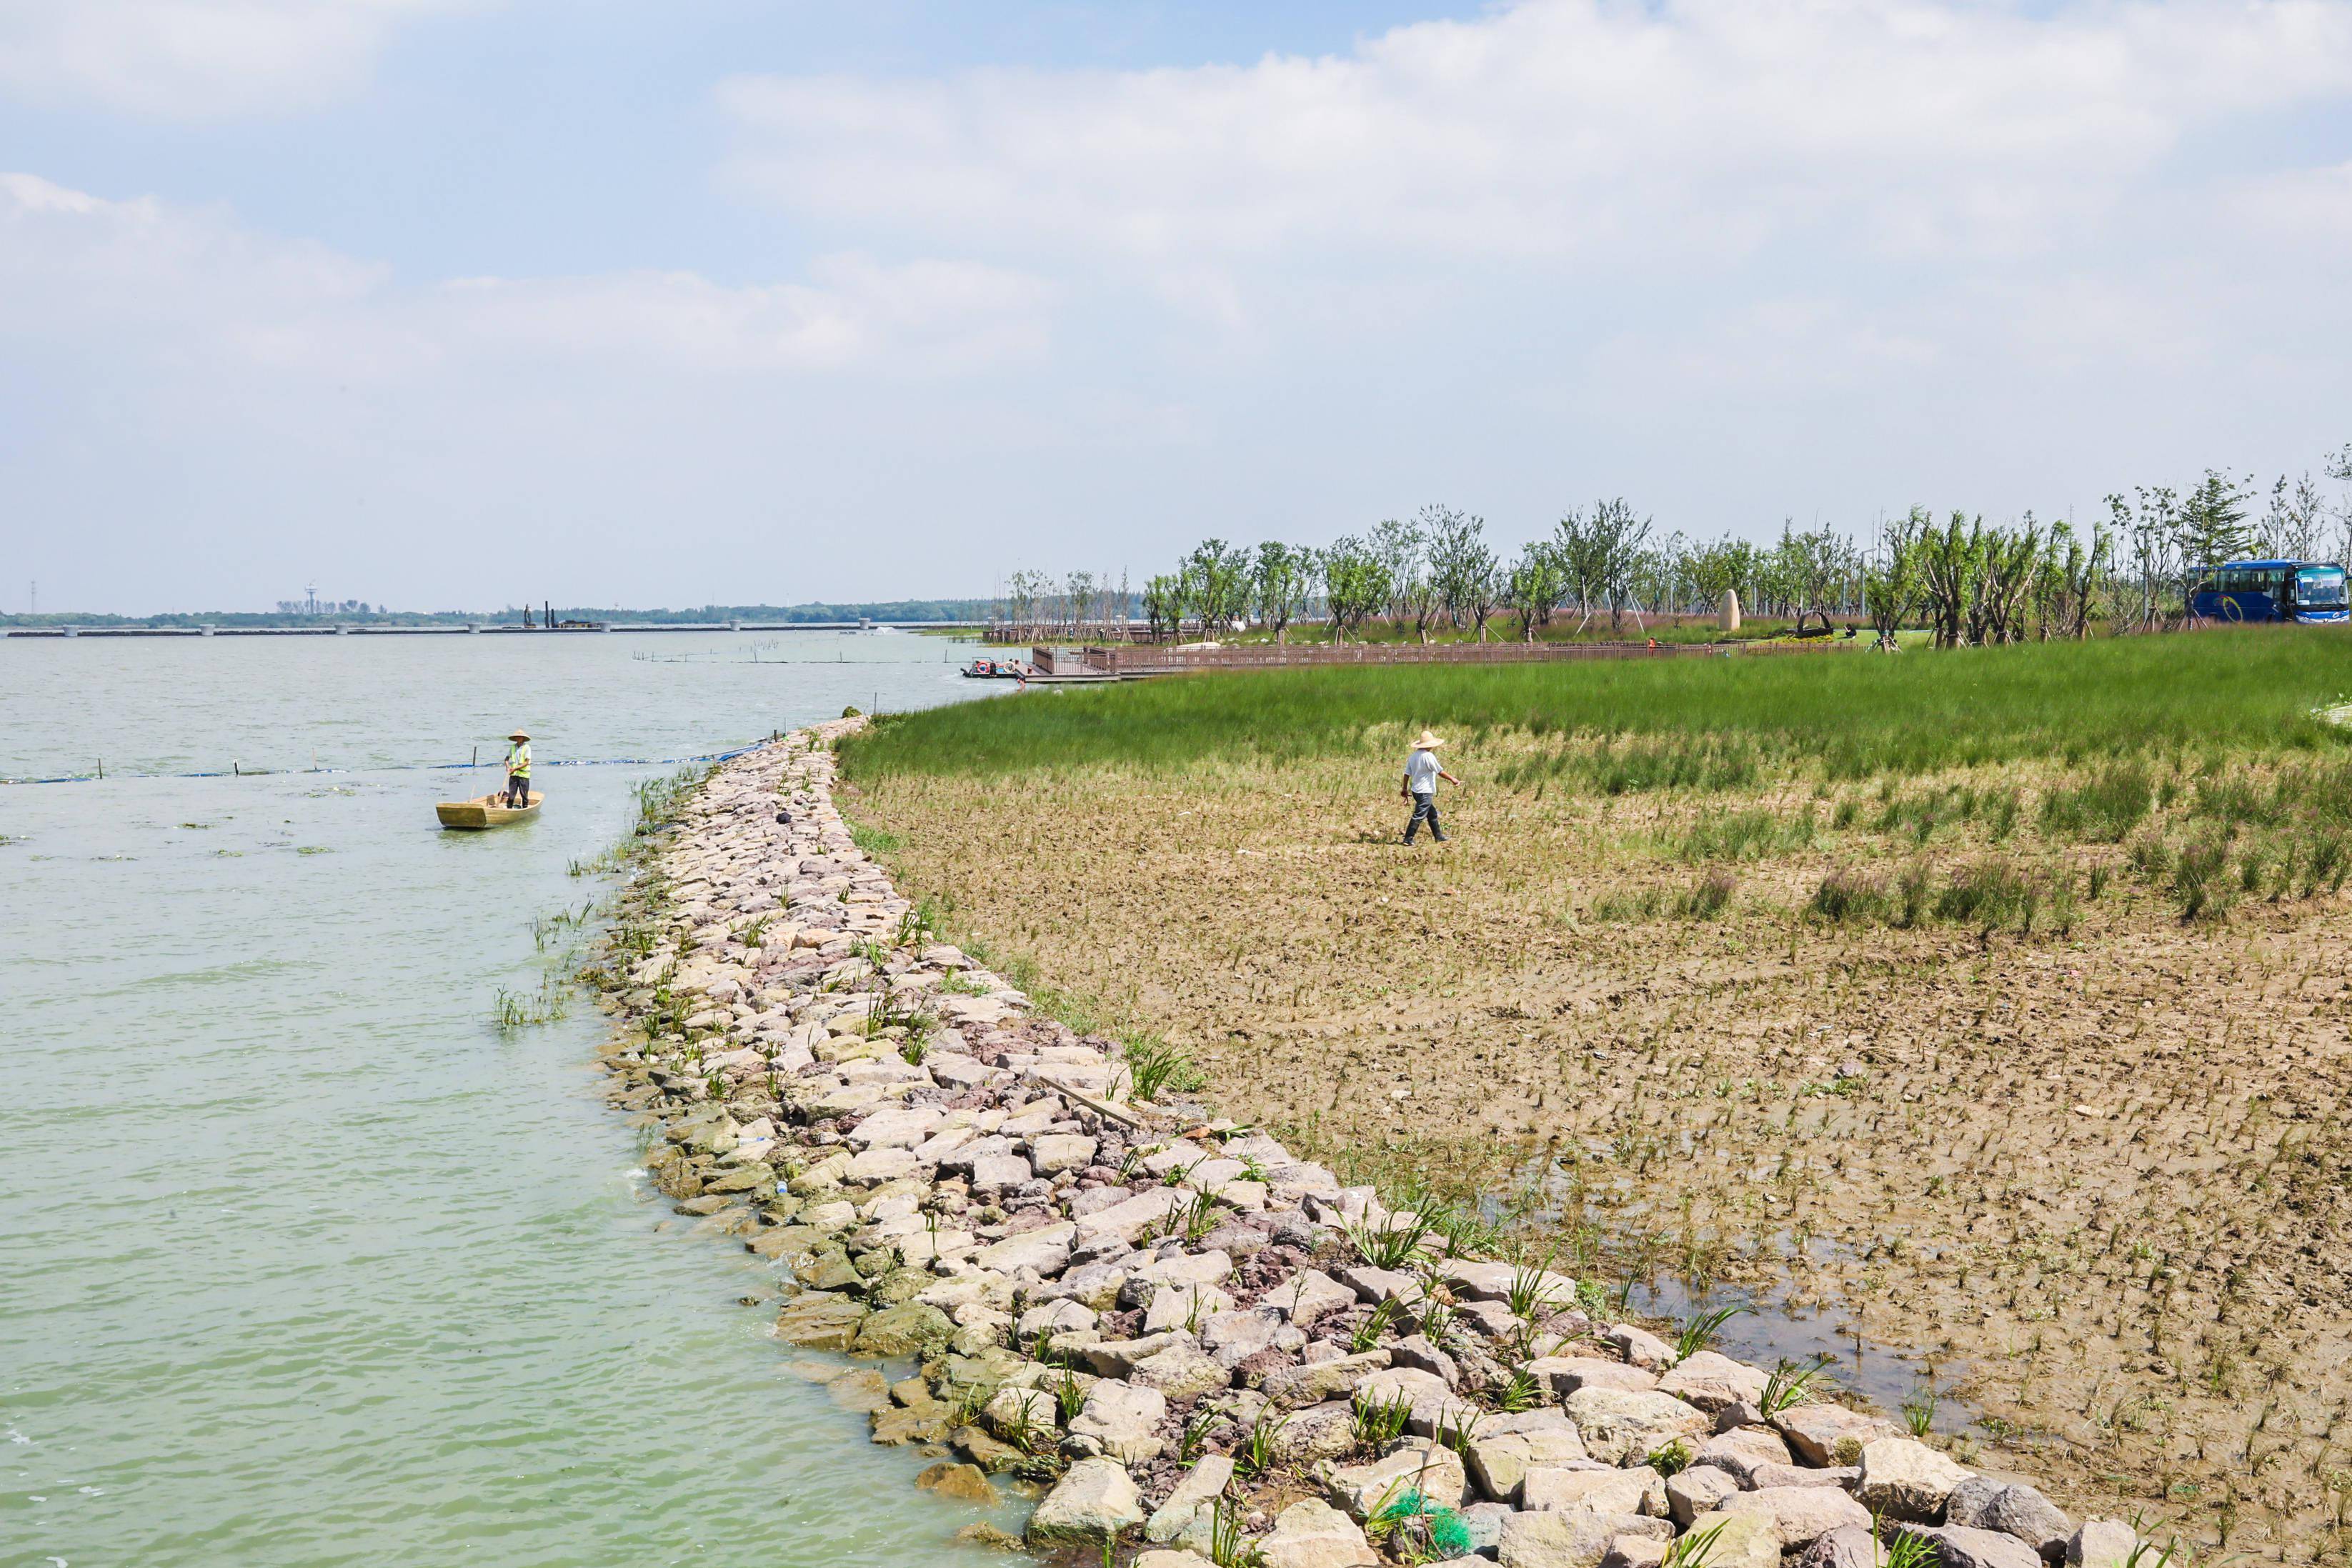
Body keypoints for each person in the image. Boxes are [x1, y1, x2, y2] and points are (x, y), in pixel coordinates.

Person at [1400, 729, 1460, 844]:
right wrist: (1453, 779)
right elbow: (1440, 771)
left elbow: (1407, 774)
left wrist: (1404, 788)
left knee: (1432, 813)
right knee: (1419, 815)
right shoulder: (1428, 756)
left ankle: (1438, 836)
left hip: (1416, 791)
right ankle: (1408, 838)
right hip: (1425, 791)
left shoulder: (1413, 756)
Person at [503, 730, 533, 808]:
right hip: (514, 775)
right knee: (511, 795)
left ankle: (525, 809)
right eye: (517, 737)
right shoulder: (513, 747)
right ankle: (509, 809)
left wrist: (515, 768)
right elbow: (506, 759)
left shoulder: (527, 747)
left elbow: (526, 762)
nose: (518, 738)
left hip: (523, 775)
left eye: (520, 737)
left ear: (523, 738)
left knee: (524, 795)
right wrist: (508, 767)